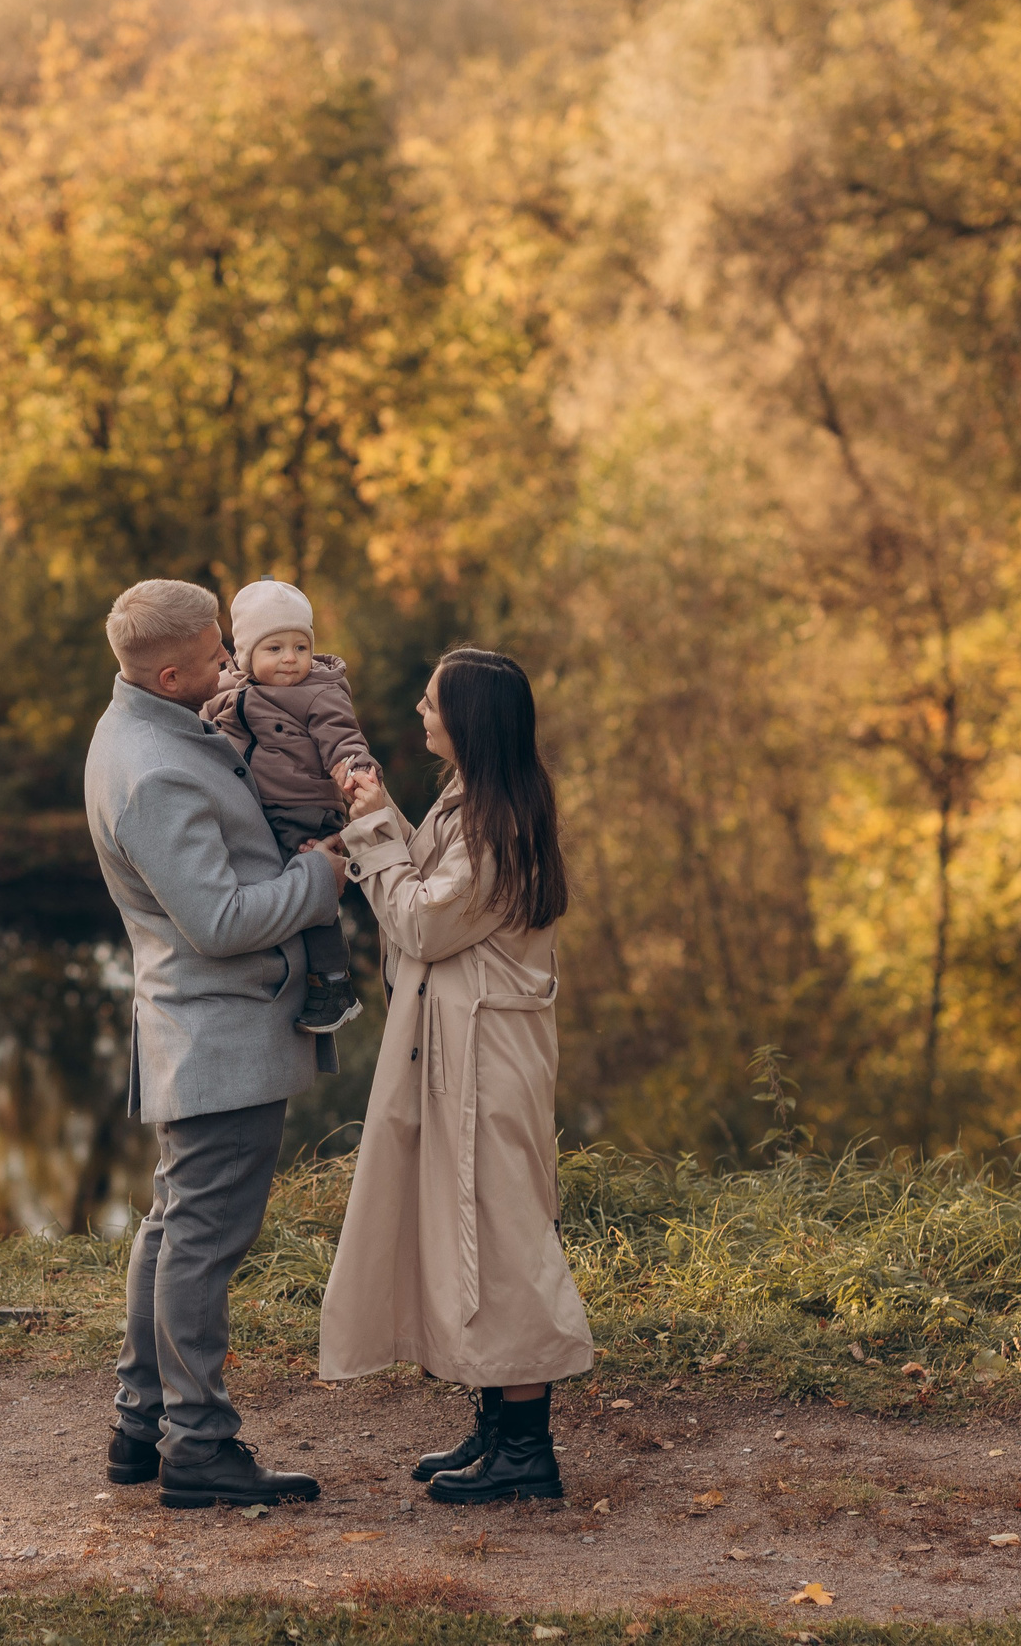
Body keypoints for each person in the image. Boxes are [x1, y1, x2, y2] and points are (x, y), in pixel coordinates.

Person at [84, 578, 350, 1510]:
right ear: (169, 671)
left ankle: (141, 1423)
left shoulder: (148, 722)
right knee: (201, 1240)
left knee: (172, 1225)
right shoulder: (153, 768)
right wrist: (321, 878)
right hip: (217, 1029)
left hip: (198, 1025)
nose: (230, 667)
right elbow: (220, 919)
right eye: (212, 657)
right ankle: (198, 1445)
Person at [316, 645, 590, 1504]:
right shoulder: (476, 801)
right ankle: (495, 1422)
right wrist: (384, 812)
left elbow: (420, 923)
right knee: (466, 1232)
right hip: (460, 1051)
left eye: (432, 701)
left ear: (467, 719)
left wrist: (367, 832)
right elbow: (426, 897)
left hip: (487, 1062)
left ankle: (527, 1451)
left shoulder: (496, 824)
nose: (420, 711)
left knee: (503, 1239)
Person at [200, 576, 375, 1035]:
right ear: (245, 655)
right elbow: (200, 720)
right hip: (258, 807)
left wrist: (353, 769)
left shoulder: (318, 690)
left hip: (305, 808)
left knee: (312, 884)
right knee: (263, 885)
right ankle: (278, 979)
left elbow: (343, 736)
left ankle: (335, 984)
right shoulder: (229, 688)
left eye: (300, 647)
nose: (290, 659)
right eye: (274, 649)